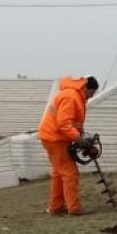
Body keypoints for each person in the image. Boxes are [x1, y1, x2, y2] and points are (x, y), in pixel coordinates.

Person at [37, 75, 99, 215]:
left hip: (56, 137)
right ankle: (74, 208)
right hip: (55, 138)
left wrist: (82, 137)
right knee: (70, 173)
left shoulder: (77, 97)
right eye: (91, 93)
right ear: (85, 88)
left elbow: (75, 123)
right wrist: (79, 139)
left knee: (59, 173)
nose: (91, 96)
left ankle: (56, 206)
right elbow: (64, 124)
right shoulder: (71, 97)